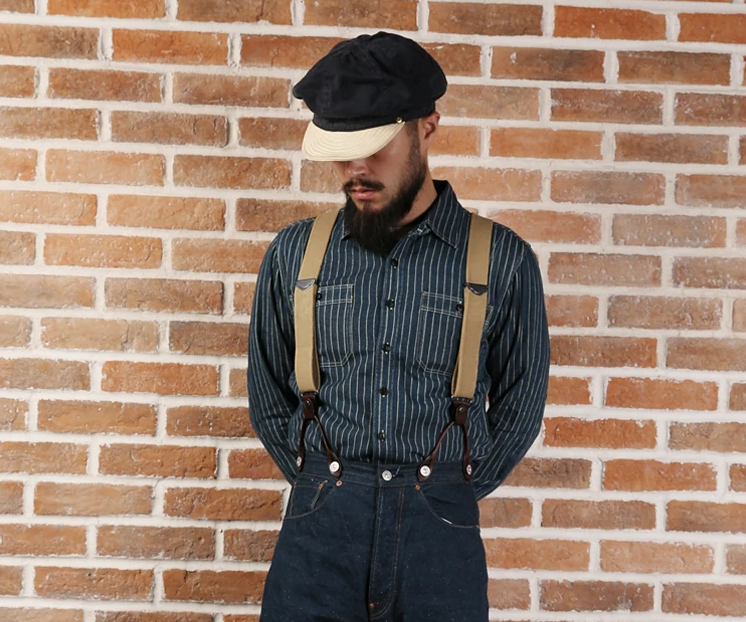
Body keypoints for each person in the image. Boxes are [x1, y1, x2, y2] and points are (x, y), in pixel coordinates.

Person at [247, 31, 550, 622]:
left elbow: (520, 407)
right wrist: (327, 485)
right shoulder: (294, 254)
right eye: (342, 147)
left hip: (440, 533)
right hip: (318, 531)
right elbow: (268, 395)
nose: (356, 168)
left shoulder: (503, 259)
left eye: (377, 146)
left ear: (427, 125)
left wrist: (444, 490)